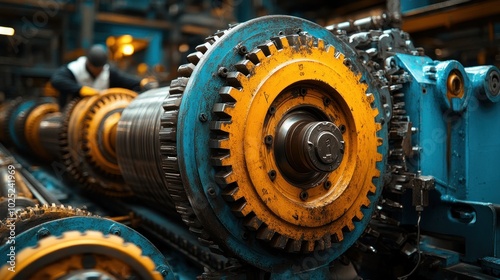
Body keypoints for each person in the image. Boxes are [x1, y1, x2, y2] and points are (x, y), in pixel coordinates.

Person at [51, 44, 154, 108]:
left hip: (98, 113)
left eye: (100, 69)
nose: (98, 72)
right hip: (72, 112)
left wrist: (141, 82)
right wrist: (79, 89)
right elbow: (56, 80)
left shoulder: (107, 71)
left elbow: (124, 80)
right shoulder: (75, 69)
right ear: (88, 63)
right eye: (95, 69)